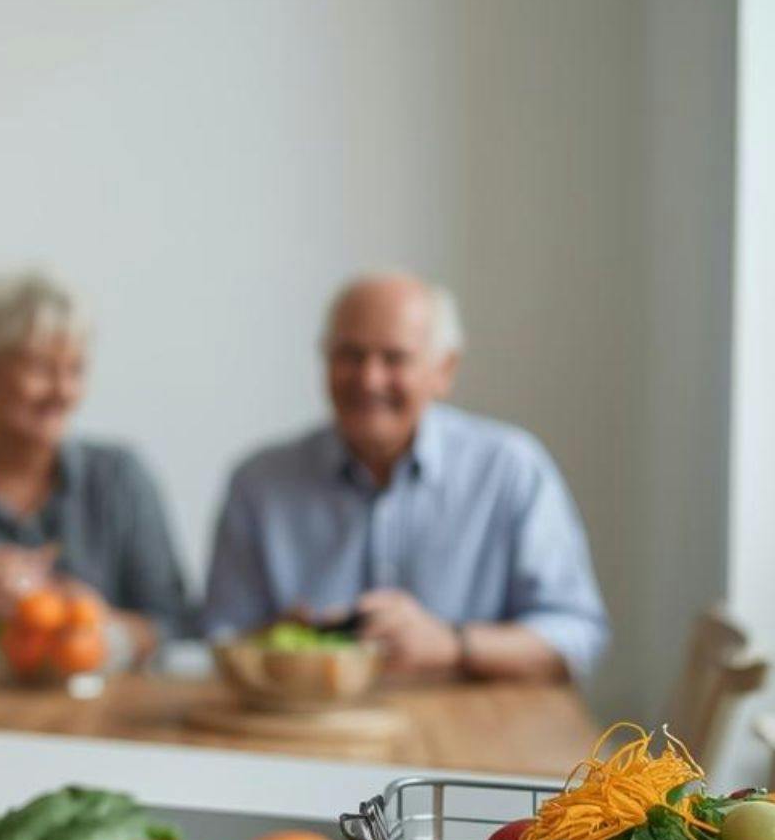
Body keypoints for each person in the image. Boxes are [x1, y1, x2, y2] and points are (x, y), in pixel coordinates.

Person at [200, 273, 609, 680]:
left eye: (394, 358)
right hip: (302, 729)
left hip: (474, 731)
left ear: (443, 370)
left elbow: (577, 636)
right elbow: (219, 638)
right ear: (325, 359)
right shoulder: (258, 483)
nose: (369, 380)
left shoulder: (510, 469)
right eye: (350, 355)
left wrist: (453, 645)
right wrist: (279, 641)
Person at [0, 270, 192, 663]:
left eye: (75, 370)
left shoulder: (122, 479)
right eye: (40, 369)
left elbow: (174, 625)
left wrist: (90, 617)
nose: (62, 392)